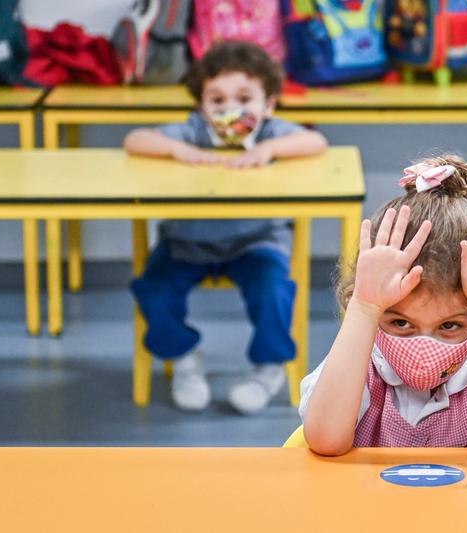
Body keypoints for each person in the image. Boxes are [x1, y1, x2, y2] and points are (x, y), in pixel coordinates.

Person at [124, 40, 327, 414]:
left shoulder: (271, 132)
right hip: (188, 242)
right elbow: (135, 139)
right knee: (152, 290)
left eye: (245, 98)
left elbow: (315, 140)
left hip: (255, 242)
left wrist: (268, 151)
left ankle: (268, 370)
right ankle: (184, 357)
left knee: (274, 293)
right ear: (202, 106)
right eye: (217, 100)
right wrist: (177, 151)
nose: (230, 109)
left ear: (268, 105)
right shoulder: (194, 131)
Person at [299, 155, 467, 457]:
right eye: (400, 323)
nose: (424, 347)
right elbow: (325, 439)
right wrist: (364, 307)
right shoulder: (358, 363)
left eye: (449, 326)